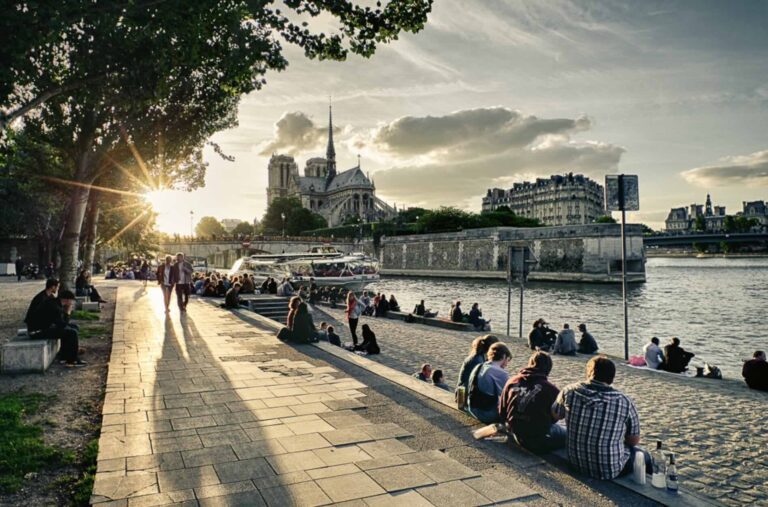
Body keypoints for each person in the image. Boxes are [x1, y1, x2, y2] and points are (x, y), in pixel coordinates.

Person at [553, 356, 647, 480]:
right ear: (612, 378)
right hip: (608, 470)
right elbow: (633, 440)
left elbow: (556, 414)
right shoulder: (624, 401)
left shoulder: (569, 391)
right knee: (644, 456)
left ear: (588, 373)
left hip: (575, 463)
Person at [500, 351, 565, 453]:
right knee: (566, 435)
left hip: (515, 431)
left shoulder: (512, 381)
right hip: (537, 439)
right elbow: (555, 417)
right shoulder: (551, 389)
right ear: (548, 368)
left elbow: (502, 410)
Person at [24, 280, 85, 367]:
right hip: (37, 332)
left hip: (42, 328)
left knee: (73, 328)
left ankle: (65, 355)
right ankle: (72, 360)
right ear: (66, 300)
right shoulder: (55, 307)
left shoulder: (55, 303)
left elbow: (61, 322)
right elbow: (62, 324)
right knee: (72, 333)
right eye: (71, 301)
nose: (72, 303)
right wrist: (68, 312)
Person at [467, 342, 512, 423]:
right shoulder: (501, 373)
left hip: (472, 407)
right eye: (508, 360)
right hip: (486, 413)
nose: (507, 364)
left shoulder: (479, 366)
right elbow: (507, 396)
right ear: (504, 356)